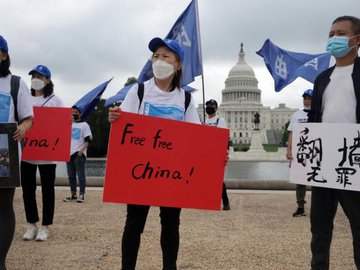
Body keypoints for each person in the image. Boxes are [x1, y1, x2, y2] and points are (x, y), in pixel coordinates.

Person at [109, 37, 200, 270]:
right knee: (134, 223)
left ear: (177, 64)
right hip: (141, 171)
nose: (159, 60)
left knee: (171, 223)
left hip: (172, 173)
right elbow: (124, 129)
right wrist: (115, 118)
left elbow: (196, 138)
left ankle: (169, 267)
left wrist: (216, 155)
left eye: (165, 56)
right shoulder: (138, 92)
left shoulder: (186, 99)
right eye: (155, 56)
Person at [308, 15, 360, 269]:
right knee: (319, 231)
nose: (333, 39)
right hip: (324, 161)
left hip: (355, 161)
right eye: (330, 34)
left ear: (356, 39)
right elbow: (314, 118)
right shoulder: (322, 78)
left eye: (340, 33)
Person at [0, 35, 33, 270]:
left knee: (3, 205)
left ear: (3, 54)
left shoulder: (15, 83)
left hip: (4, 148)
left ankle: (0, 261)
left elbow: (27, 118)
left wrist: (22, 128)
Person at [21, 65, 64, 242]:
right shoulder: (25, 98)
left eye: (40, 76)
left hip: (48, 154)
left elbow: (62, 124)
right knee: (27, 190)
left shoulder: (55, 100)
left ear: (48, 80)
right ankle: (32, 224)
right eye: (33, 76)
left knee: (48, 190)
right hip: (27, 151)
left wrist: (68, 120)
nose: (36, 79)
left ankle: (45, 226)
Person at [286, 89, 312, 217]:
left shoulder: (319, 113)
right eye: (305, 98)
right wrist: (289, 150)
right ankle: (300, 206)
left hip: (315, 151)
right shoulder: (297, 115)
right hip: (300, 151)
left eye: (309, 98)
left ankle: (320, 208)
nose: (307, 100)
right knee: (300, 181)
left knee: (317, 179)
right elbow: (291, 133)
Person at [204, 99, 230, 211]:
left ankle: (225, 202)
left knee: (218, 179)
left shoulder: (220, 120)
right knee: (207, 178)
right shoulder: (204, 121)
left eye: (211, 106)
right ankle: (210, 201)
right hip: (206, 153)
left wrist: (225, 152)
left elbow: (224, 138)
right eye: (208, 106)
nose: (209, 107)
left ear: (216, 108)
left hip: (217, 153)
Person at [63, 106, 92, 203]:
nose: (74, 113)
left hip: (79, 154)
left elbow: (88, 140)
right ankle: (73, 194)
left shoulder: (84, 125)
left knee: (81, 176)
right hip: (68, 153)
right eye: (72, 112)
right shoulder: (69, 124)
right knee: (71, 176)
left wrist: (82, 150)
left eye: (76, 112)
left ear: (80, 114)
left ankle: (82, 195)